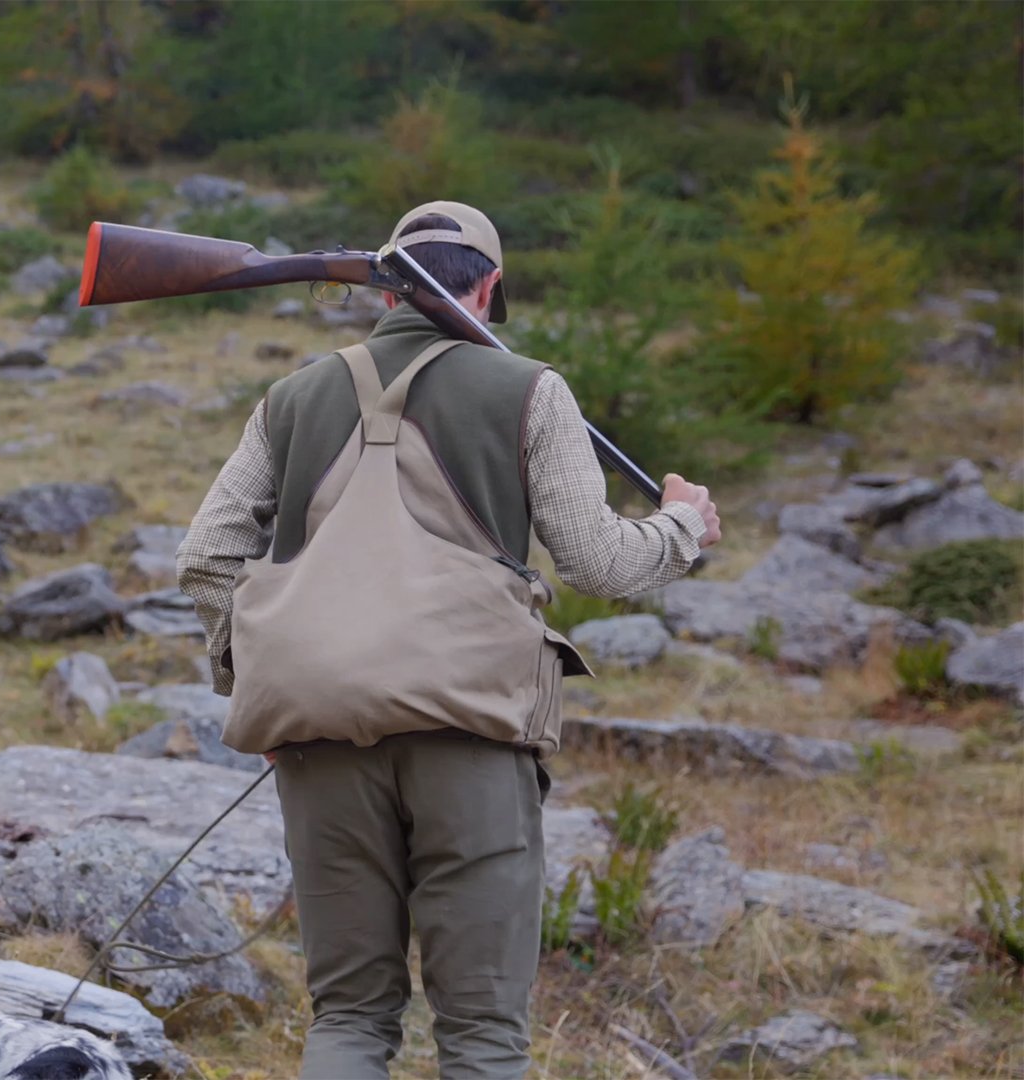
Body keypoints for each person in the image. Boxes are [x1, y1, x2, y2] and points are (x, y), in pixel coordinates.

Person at [175, 200, 721, 1079]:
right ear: (491, 286)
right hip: (472, 732)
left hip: (318, 737)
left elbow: (205, 557)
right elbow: (597, 563)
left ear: (385, 289)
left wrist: (264, 688)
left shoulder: (291, 398)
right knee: (481, 1036)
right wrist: (682, 526)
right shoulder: (530, 389)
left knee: (350, 1018)